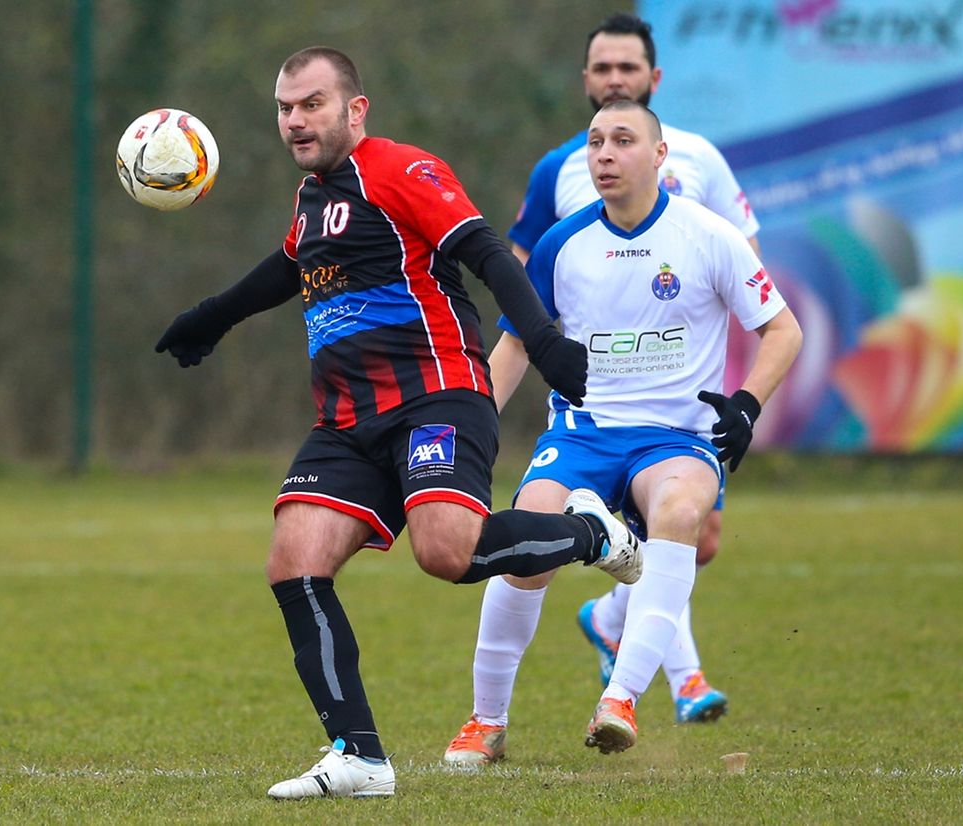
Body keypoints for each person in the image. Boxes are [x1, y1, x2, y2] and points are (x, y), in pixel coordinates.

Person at [155, 47, 643, 799]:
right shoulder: (313, 197)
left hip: (435, 396)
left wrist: (543, 343)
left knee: (446, 552)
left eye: (311, 103)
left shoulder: (401, 169)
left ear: (356, 109)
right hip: (347, 420)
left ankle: (591, 533)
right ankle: (359, 757)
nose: (295, 120)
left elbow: (482, 249)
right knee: (293, 563)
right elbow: (289, 268)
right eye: (285, 108)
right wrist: (211, 318)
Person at [445, 13, 768, 766]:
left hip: (677, 434)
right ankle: (484, 722)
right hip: (584, 432)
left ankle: (622, 698)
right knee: (526, 540)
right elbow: (521, 332)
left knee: (685, 518)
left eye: (623, 141)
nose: (605, 153)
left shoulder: (705, 220)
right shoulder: (561, 231)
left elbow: (771, 314)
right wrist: (472, 423)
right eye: (597, 142)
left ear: (662, 149)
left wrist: (746, 403)